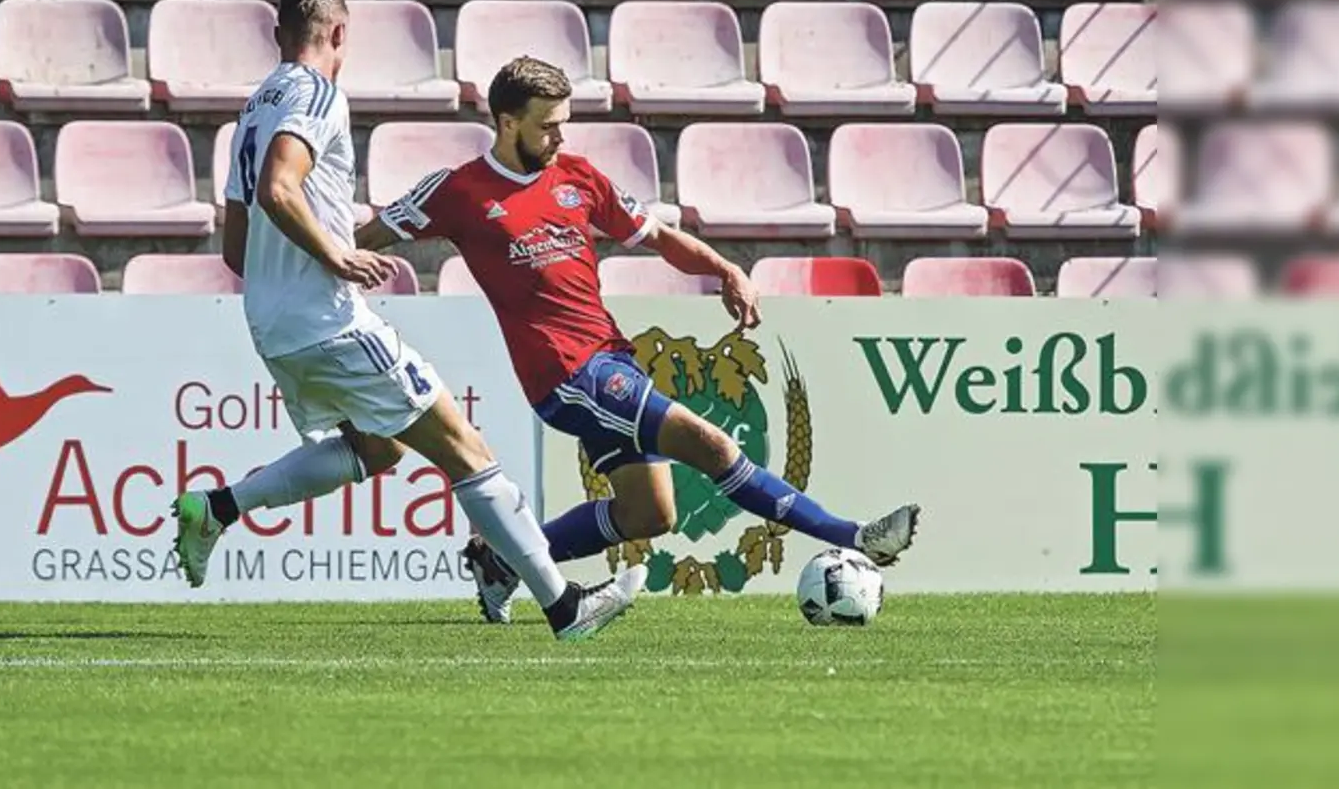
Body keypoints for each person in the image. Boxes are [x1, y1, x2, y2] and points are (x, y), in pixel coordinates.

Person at [355, 56, 920, 624]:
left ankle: (501, 562)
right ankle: (855, 534)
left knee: (649, 514)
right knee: (716, 449)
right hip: (566, 374)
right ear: (506, 123)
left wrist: (725, 270)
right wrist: (323, 276)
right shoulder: (459, 191)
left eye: (563, 123)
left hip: (610, 358)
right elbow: (364, 238)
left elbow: (658, 237)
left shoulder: (577, 178)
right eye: (547, 125)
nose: (559, 136)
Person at [172, 0, 643, 641]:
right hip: (326, 319)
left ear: (279, 33)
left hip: (272, 323)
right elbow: (281, 188)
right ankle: (565, 607)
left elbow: (237, 247)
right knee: (466, 450)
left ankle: (217, 507)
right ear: (339, 34)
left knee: (380, 446)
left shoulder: (253, 109)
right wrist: (336, 259)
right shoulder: (313, 93)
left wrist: (293, 273)